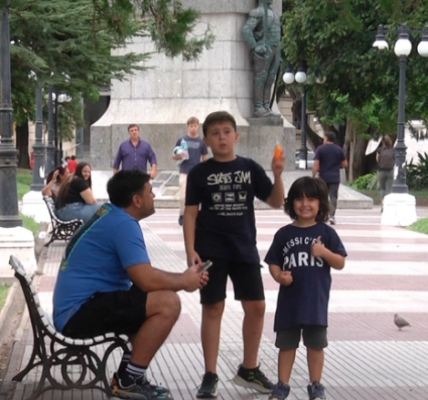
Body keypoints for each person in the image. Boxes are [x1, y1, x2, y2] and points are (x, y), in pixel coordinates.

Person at [53, 169, 209, 400]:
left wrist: (182, 278)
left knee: (152, 301)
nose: (153, 196)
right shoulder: (123, 224)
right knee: (168, 303)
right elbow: (146, 279)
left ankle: (131, 377)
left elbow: (144, 276)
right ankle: (128, 381)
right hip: (76, 314)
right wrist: (184, 281)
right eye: (150, 192)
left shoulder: (111, 214)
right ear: (137, 200)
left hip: (79, 307)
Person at [183, 111, 285, 398]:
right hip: (210, 250)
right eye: (215, 133)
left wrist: (277, 174)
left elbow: (276, 201)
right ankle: (210, 374)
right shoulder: (199, 173)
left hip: (244, 248)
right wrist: (190, 251)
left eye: (227, 132)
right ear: (206, 139)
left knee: (257, 307)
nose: (222, 137)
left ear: (236, 136)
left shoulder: (249, 168)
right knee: (212, 308)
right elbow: (190, 214)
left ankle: (249, 369)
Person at [264, 177, 347, 400]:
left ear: (321, 203)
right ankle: (282, 385)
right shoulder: (284, 234)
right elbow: (273, 261)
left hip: (315, 301)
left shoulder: (326, 233)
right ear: (291, 203)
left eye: (311, 199)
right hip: (289, 302)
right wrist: (278, 276)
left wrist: (324, 253)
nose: (305, 204)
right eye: (299, 199)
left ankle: (316, 384)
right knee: (286, 344)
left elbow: (340, 262)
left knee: (316, 344)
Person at [242, 0, 281, 118]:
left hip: (275, 50)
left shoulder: (274, 13)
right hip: (264, 50)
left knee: (270, 79)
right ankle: (258, 108)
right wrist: (255, 47)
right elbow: (246, 30)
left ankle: (266, 106)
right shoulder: (258, 12)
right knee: (261, 78)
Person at [172, 116, 208, 226]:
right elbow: (173, 156)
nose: (193, 128)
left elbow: (204, 157)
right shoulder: (182, 140)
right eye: (191, 126)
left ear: (198, 126)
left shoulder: (201, 142)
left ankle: (196, 216)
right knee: (183, 196)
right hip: (184, 170)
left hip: (197, 172)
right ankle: (182, 214)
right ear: (188, 127)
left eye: (195, 126)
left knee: (197, 196)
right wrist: (179, 155)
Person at [312, 131, 348, 225]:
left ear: (326, 138)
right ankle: (331, 216)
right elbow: (345, 164)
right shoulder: (339, 149)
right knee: (333, 197)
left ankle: (321, 215)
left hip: (323, 177)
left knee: (321, 196)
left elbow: (316, 163)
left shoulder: (320, 149)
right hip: (335, 177)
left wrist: (313, 175)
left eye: (324, 137)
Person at [376, 135, 395, 212]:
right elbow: (395, 159)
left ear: (383, 142)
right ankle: (387, 205)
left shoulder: (380, 150)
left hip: (381, 171)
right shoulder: (393, 150)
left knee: (382, 188)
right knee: (389, 189)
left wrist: (380, 163)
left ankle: (383, 204)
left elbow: (377, 159)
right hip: (390, 171)